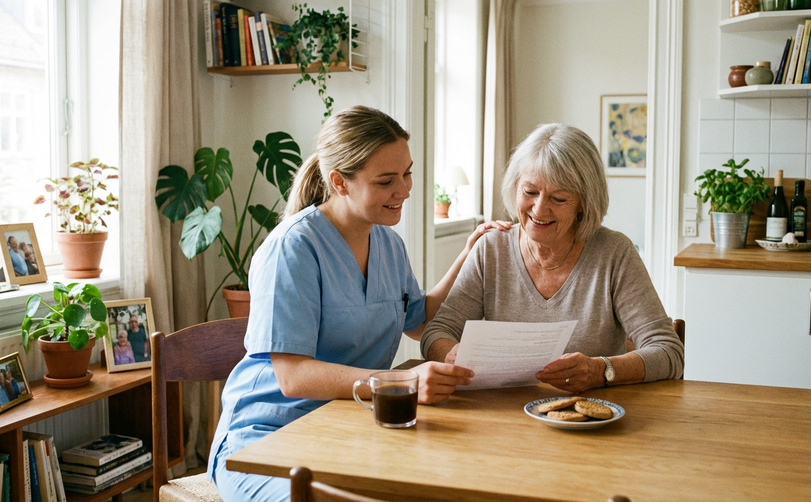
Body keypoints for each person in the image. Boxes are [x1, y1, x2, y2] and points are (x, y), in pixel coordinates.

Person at [208, 105, 510, 501]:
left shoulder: (388, 243)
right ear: (339, 182)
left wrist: (468, 255)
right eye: (386, 181)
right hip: (265, 438)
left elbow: (418, 319)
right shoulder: (292, 249)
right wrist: (396, 382)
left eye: (407, 173)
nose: (404, 190)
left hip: (346, 427)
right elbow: (293, 377)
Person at [421, 123, 684, 393]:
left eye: (558, 198)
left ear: (584, 203)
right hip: (504, 410)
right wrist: (451, 353)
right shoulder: (491, 248)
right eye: (530, 192)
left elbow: (669, 352)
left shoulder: (614, 253)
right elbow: (435, 333)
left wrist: (599, 370)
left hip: (590, 412)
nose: (539, 209)